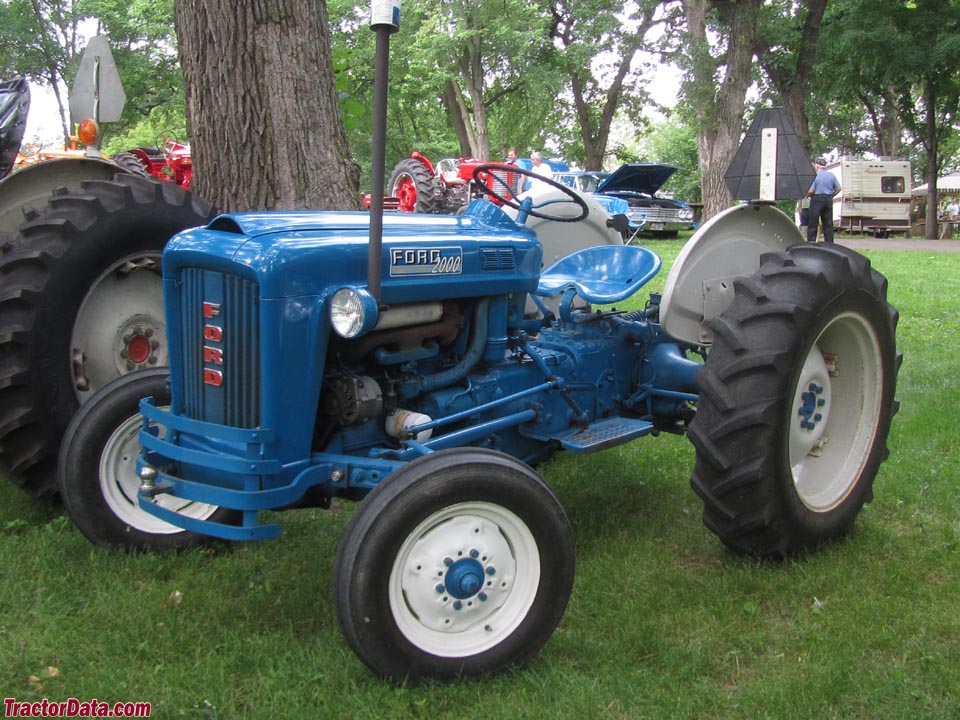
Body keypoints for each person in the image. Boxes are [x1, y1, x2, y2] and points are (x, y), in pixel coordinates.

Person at [806, 158, 841, 243]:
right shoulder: (831, 175)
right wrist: (832, 196)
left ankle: (811, 242)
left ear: (817, 166)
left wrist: (806, 195)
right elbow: (839, 188)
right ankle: (829, 244)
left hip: (817, 199)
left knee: (813, 222)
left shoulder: (815, 175)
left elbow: (811, 191)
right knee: (828, 223)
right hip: (828, 199)